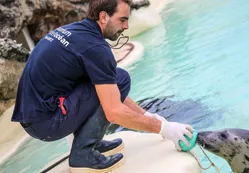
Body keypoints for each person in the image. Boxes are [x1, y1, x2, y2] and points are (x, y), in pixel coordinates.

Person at [11, 0, 194, 172]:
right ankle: (83, 153)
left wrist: (147, 115)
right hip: (48, 123)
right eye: (122, 20)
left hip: (35, 116)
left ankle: (91, 141)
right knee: (121, 78)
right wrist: (164, 129)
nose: (126, 26)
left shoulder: (74, 31)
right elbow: (114, 111)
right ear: (104, 17)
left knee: (114, 80)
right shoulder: (95, 48)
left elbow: (106, 90)